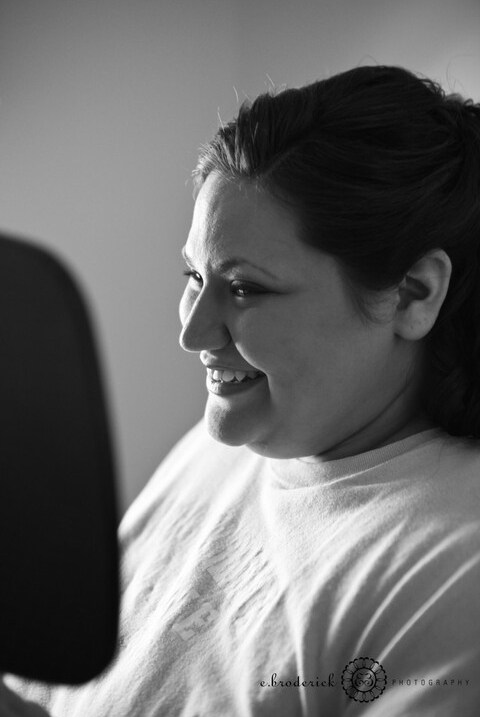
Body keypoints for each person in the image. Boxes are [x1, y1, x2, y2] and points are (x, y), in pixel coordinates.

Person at [5, 64, 480, 716]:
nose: (194, 335)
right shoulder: (230, 438)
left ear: (414, 293)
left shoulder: (455, 578)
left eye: (246, 288)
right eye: (193, 276)